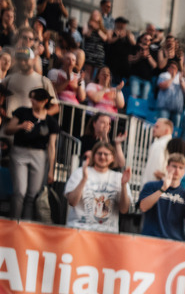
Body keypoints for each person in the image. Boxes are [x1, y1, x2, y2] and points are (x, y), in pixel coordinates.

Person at [4, 87, 57, 221]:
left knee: (32, 195)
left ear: (44, 101)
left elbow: (52, 146)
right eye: (31, 97)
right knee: (20, 192)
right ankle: (13, 222)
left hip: (39, 154)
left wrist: (51, 169)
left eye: (36, 99)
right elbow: (8, 129)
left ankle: (26, 225)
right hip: (20, 151)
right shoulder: (22, 112)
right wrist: (20, 127)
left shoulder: (51, 121)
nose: (32, 101)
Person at [65, 142, 132, 233]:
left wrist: (123, 185)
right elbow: (72, 202)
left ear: (112, 158)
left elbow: (124, 209)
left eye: (106, 154)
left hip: (107, 234)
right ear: (93, 156)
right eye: (99, 153)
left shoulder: (119, 177)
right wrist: (84, 179)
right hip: (79, 231)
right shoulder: (79, 172)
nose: (102, 157)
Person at [138, 153, 185, 241]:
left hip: (175, 243)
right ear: (167, 167)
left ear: (184, 172)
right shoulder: (151, 186)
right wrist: (163, 189)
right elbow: (143, 207)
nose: (177, 170)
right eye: (174, 166)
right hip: (151, 239)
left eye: (180, 168)